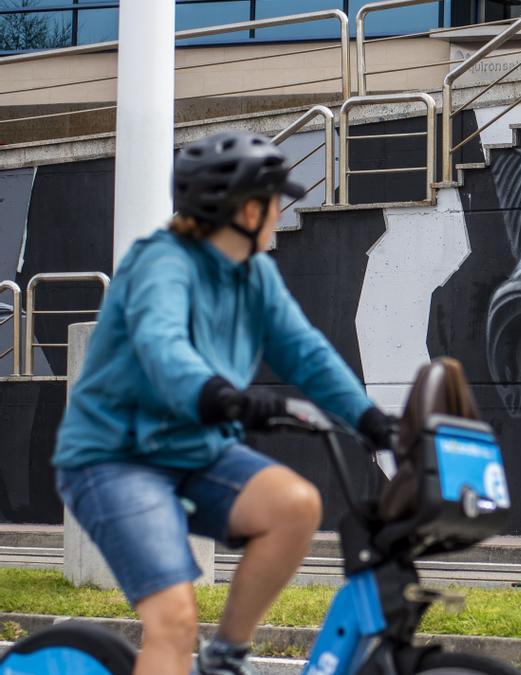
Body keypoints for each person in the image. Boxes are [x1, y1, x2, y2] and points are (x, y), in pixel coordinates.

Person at [53, 131, 399, 675]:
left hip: (197, 452)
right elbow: (162, 346)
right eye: (273, 202)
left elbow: (305, 354)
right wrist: (221, 395)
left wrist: (369, 419)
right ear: (245, 210)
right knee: (173, 622)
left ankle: (226, 656)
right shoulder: (161, 263)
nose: (280, 213)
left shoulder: (254, 274)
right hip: (116, 459)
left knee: (294, 506)